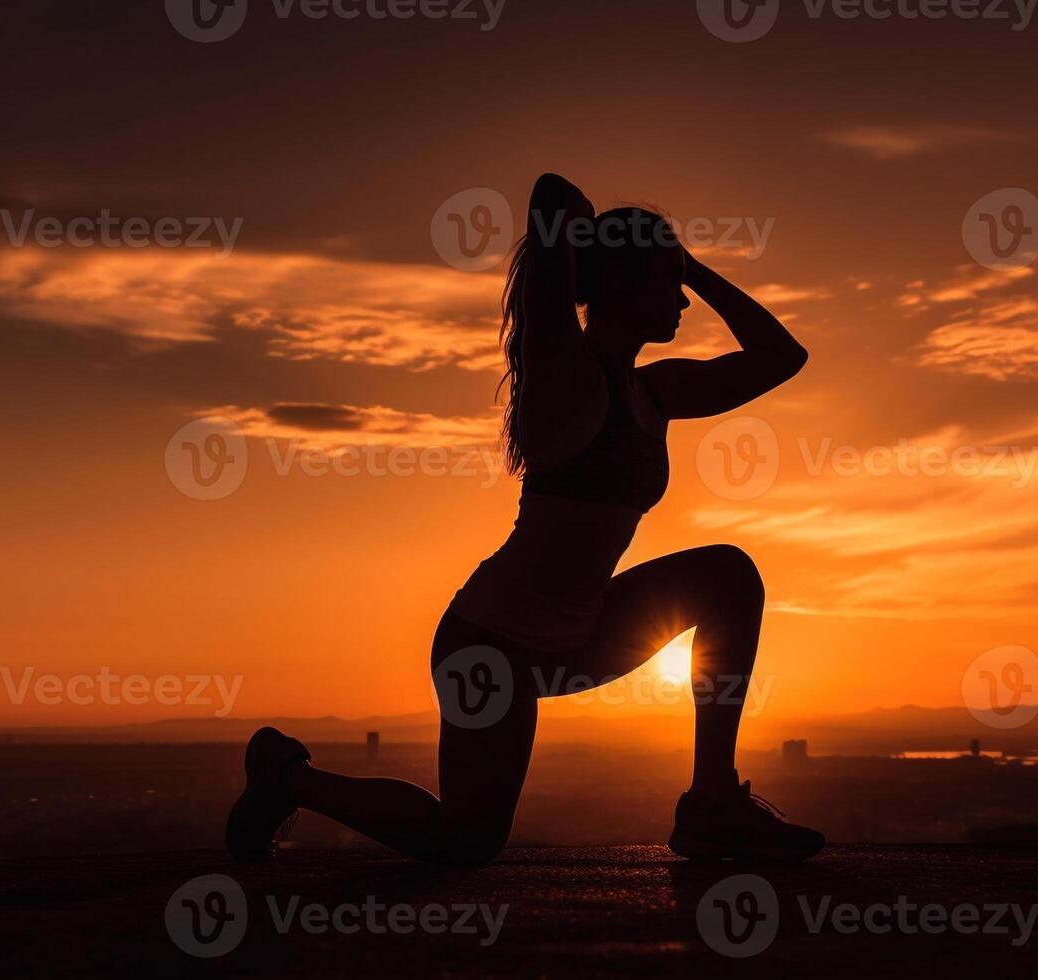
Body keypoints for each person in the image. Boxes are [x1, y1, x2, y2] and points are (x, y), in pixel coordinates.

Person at [228, 173, 821, 865]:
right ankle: (285, 776)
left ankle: (713, 805)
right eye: (667, 279)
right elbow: (552, 196)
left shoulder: (654, 390)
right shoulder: (564, 366)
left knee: (727, 575)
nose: (683, 298)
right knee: (466, 842)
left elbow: (783, 358)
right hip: (492, 645)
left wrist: (684, 260)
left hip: (581, 636)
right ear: (622, 282)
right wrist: (606, 244)